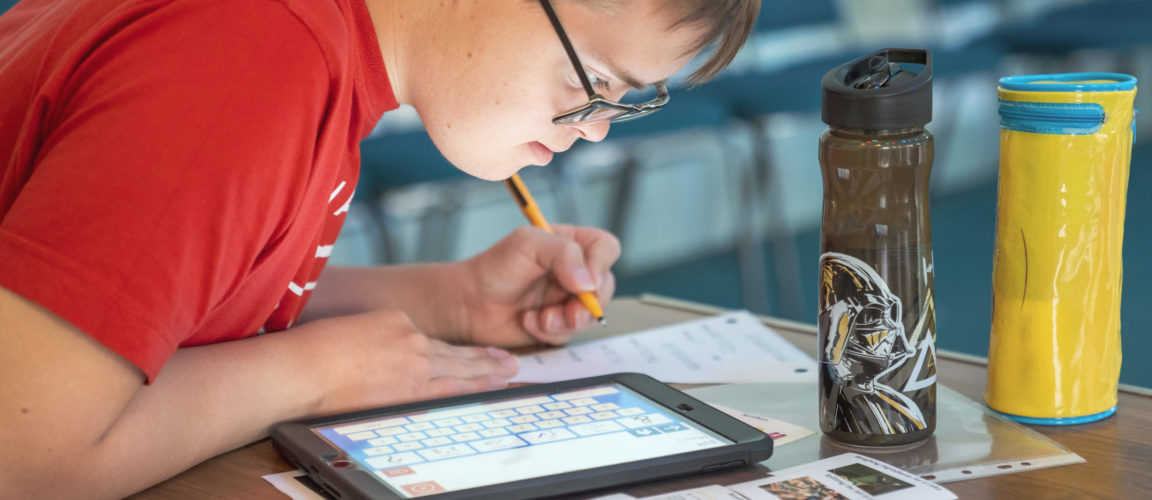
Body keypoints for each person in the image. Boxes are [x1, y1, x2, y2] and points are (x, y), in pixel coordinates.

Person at [0, 0, 758, 496]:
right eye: (592, 79)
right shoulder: (252, 59)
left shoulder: (311, 45)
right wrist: (310, 375)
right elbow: (29, 455)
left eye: (625, 103)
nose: (594, 126)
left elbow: (148, 295)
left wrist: (445, 300)